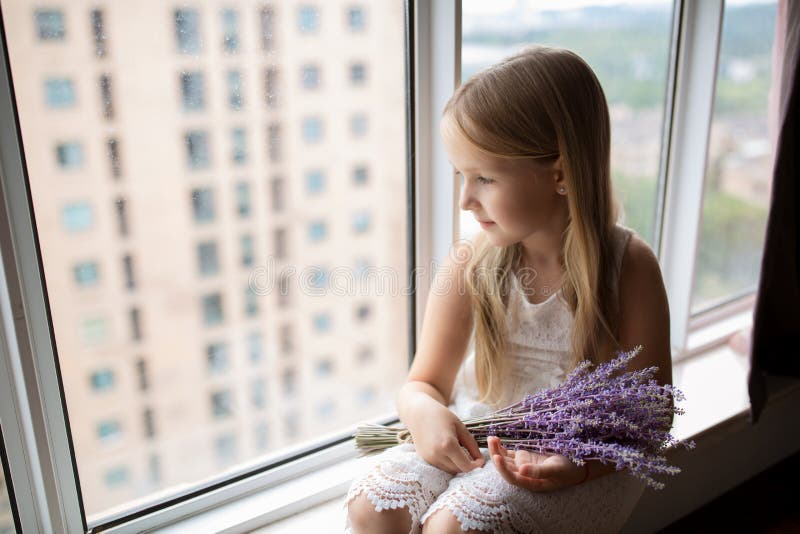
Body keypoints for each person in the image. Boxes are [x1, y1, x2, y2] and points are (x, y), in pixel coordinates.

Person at [344, 44, 672, 534]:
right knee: (373, 508)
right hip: (481, 427)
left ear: (559, 174)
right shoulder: (469, 264)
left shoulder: (629, 268)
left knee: (455, 528)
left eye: (485, 177)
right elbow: (422, 383)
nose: (465, 199)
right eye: (461, 176)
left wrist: (579, 463)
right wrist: (425, 415)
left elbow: (651, 417)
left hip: (580, 458)